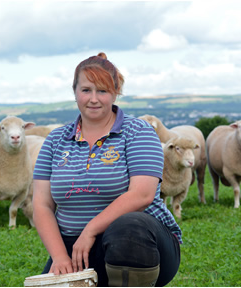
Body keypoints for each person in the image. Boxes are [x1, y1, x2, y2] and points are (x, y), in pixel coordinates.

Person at [32, 52, 181, 287]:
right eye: (86, 90)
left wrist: (90, 229)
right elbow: (42, 204)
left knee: (128, 226)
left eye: (102, 91)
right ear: (74, 92)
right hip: (74, 248)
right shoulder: (55, 140)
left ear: (115, 92)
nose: (93, 99)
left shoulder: (138, 132)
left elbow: (141, 195)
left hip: (140, 244)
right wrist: (60, 257)